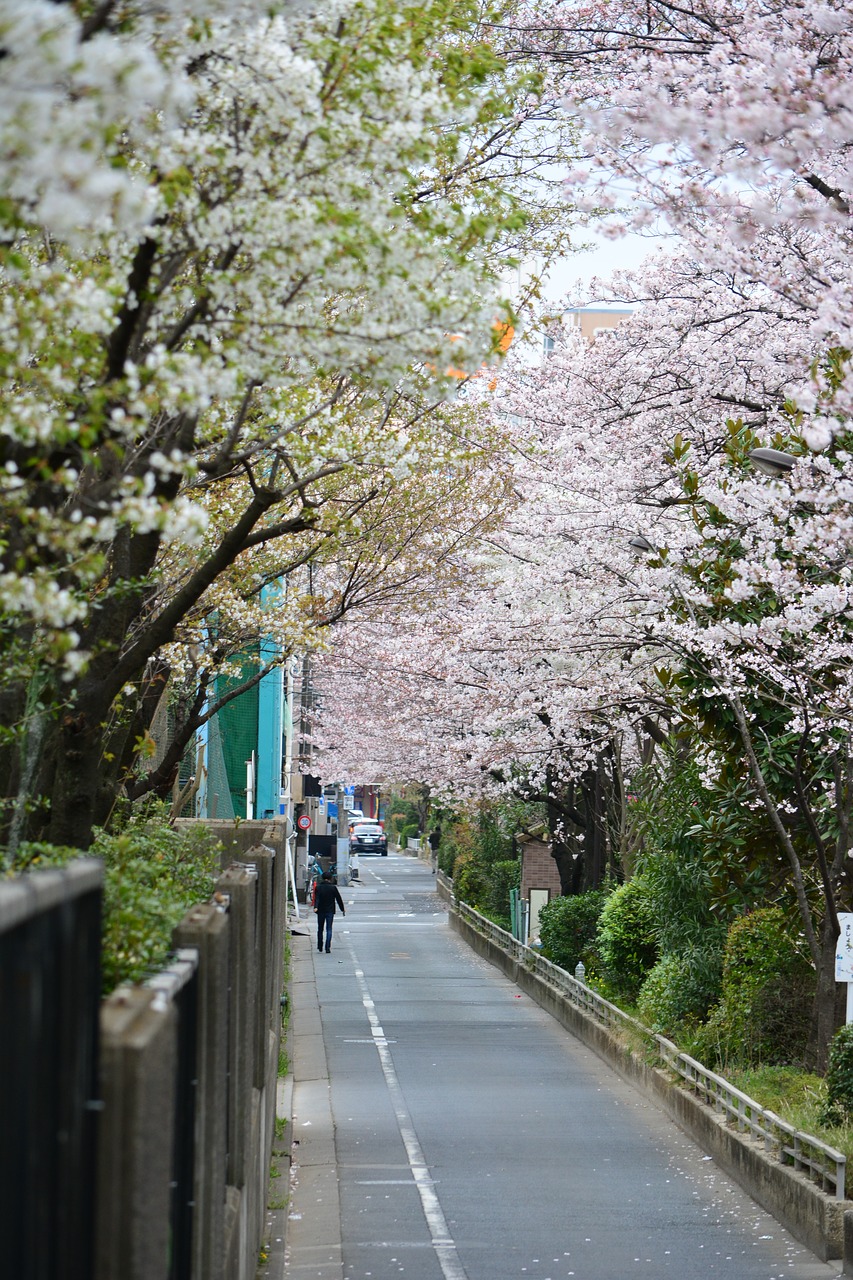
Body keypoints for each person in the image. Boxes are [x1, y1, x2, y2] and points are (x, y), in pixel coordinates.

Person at [314, 872, 346, 954]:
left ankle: (320, 945)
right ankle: (327, 947)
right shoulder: (333, 888)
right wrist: (342, 909)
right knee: (329, 929)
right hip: (330, 911)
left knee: (320, 929)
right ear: (331, 878)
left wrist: (315, 907)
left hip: (320, 910)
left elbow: (316, 898)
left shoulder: (318, 887)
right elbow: (338, 899)